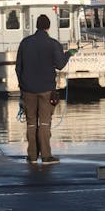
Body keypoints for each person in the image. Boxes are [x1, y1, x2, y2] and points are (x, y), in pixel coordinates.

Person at [15, 13, 70, 164]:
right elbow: (60, 64)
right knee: (45, 123)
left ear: (36, 26)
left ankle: (32, 156)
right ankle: (46, 156)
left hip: (27, 90)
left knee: (31, 123)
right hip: (46, 89)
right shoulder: (53, 44)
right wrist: (69, 54)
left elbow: (18, 67)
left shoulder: (25, 43)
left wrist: (22, 86)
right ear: (48, 27)